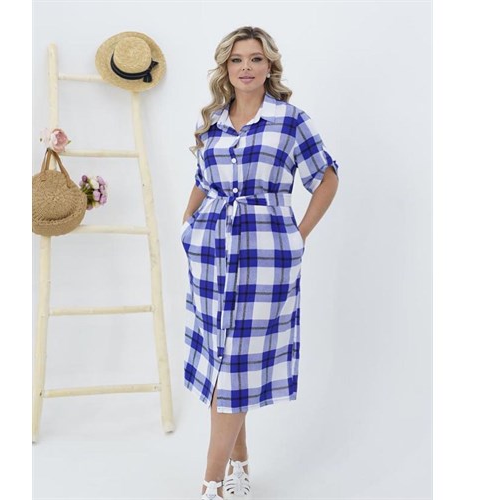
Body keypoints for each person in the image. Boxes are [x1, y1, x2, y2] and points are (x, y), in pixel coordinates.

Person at [180, 26, 340, 500]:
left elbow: (327, 177)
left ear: (270, 65)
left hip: (265, 258)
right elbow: (202, 179)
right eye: (236, 59)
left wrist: (298, 235)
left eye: (255, 58)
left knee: (236, 365)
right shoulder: (213, 121)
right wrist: (187, 224)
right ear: (225, 68)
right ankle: (240, 464)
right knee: (223, 365)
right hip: (210, 253)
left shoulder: (290, 121)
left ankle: (211, 484)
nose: (246, 67)